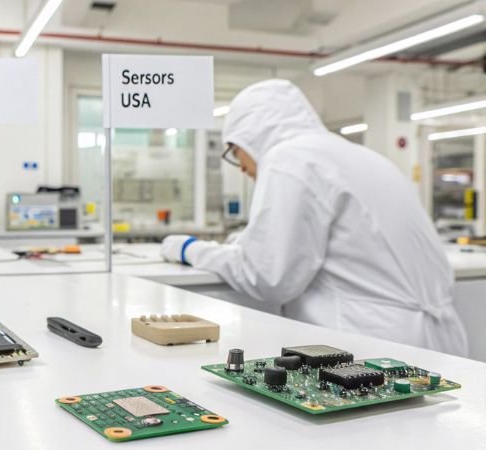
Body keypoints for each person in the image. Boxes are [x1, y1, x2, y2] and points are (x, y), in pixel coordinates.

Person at [161, 79, 468, 356]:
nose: (240, 166)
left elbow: (267, 277)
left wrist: (188, 249)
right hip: (436, 341)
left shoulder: (288, 159)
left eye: (234, 151)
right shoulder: (359, 156)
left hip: (369, 345)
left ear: (250, 136)